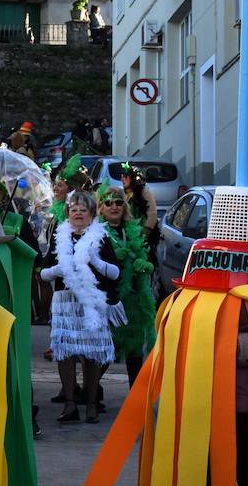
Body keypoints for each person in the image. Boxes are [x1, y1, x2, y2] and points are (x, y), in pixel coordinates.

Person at [39, 189, 125, 424]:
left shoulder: (100, 238)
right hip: (65, 303)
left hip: (91, 300)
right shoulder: (60, 237)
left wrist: (95, 261)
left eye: (83, 210)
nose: (78, 213)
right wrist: (58, 269)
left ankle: (90, 403)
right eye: (73, 209)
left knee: (92, 353)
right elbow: (43, 272)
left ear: (91, 214)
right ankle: (69, 403)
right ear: (67, 214)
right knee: (64, 352)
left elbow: (116, 273)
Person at [97, 185, 157, 386]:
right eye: (108, 203)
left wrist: (145, 265)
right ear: (101, 208)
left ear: (125, 207)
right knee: (105, 351)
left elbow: (147, 260)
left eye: (118, 202)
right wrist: (110, 257)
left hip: (132, 301)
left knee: (134, 353)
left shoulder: (133, 231)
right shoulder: (97, 233)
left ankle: (136, 398)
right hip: (108, 299)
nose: (113, 206)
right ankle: (91, 394)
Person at [120, 162, 160, 256]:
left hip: (140, 238)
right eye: (121, 176)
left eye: (125, 176)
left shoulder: (144, 193)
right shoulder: (122, 194)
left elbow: (152, 215)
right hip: (126, 237)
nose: (122, 179)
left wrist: (143, 235)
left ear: (133, 178)